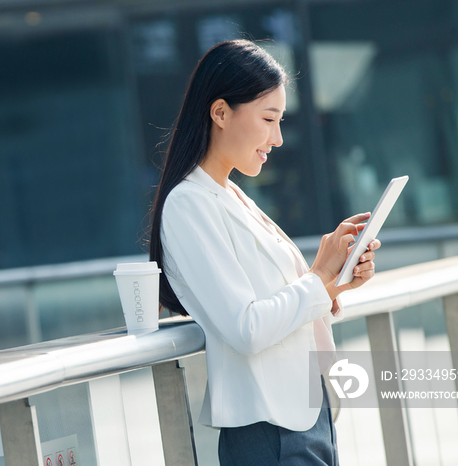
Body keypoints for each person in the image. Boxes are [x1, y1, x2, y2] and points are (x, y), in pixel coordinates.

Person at [147, 39, 380, 465]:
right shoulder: (189, 204)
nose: (277, 137)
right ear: (220, 113)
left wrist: (332, 282)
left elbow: (277, 306)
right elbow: (247, 327)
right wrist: (318, 278)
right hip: (269, 429)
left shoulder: (229, 194)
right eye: (268, 118)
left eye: (280, 120)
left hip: (304, 413)